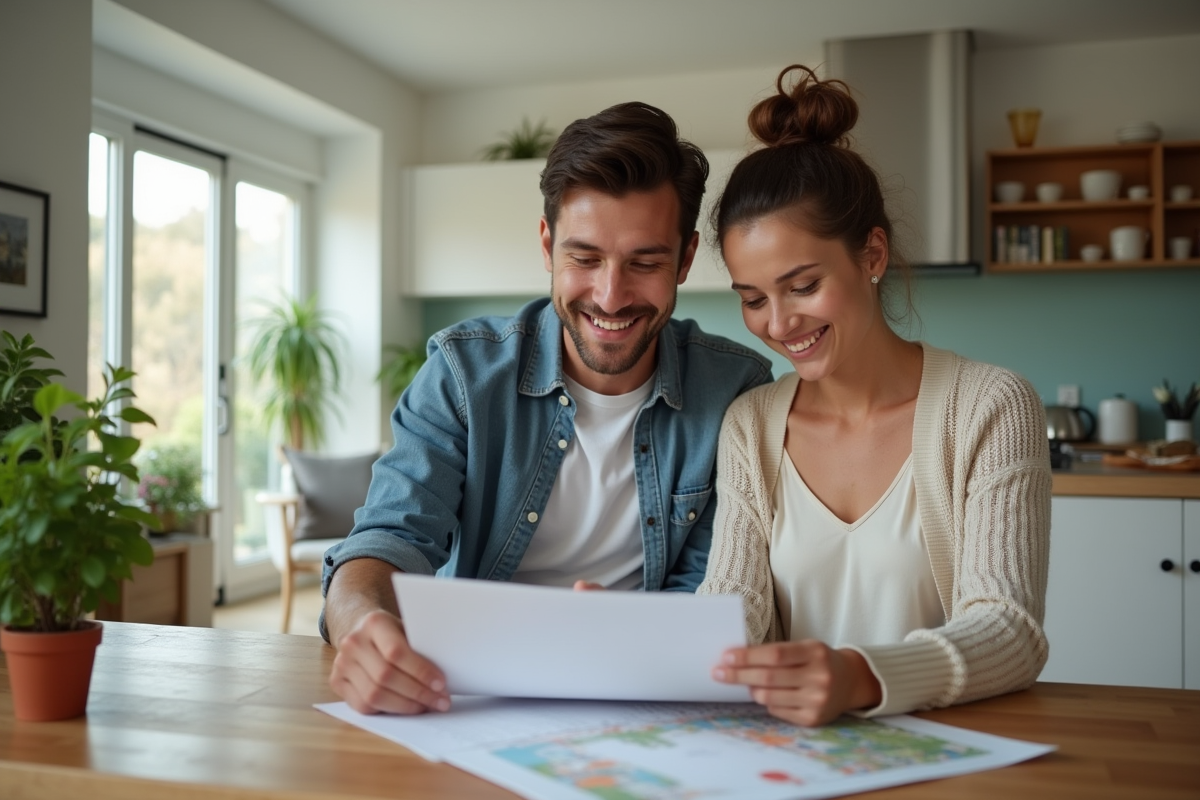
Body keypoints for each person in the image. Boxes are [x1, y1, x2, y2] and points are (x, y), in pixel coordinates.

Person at [323, 102, 773, 716]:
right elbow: (390, 536)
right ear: (546, 245)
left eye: (645, 262)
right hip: (468, 695)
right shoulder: (463, 373)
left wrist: (625, 636)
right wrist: (357, 621)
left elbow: (710, 591)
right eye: (584, 258)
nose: (610, 296)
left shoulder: (737, 390)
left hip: (646, 694)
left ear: (686, 259)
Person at [698, 65, 1051, 726]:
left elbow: (1010, 630)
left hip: (953, 753)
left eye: (802, 285)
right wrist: (633, 635)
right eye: (753, 299)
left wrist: (860, 676)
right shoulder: (751, 424)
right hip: (793, 762)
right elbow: (731, 605)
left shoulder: (991, 406)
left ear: (872, 255)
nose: (777, 324)